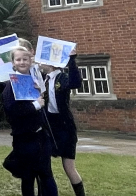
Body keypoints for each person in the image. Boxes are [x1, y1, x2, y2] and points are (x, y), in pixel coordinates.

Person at [2, 47, 58, 196]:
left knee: (46, 174)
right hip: (24, 138)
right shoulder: (10, 85)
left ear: (30, 61)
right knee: (28, 177)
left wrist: (40, 93)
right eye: (18, 59)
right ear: (13, 63)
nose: (22, 62)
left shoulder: (36, 80)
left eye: (25, 59)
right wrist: (35, 105)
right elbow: (11, 111)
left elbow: (44, 104)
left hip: (41, 137)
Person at [42, 55, 86, 196]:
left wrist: (72, 60)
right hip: (49, 126)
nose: (39, 62)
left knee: (69, 166)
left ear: (50, 63)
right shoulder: (42, 79)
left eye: (42, 59)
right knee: (43, 164)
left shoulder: (62, 77)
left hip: (65, 126)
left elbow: (76, 83)